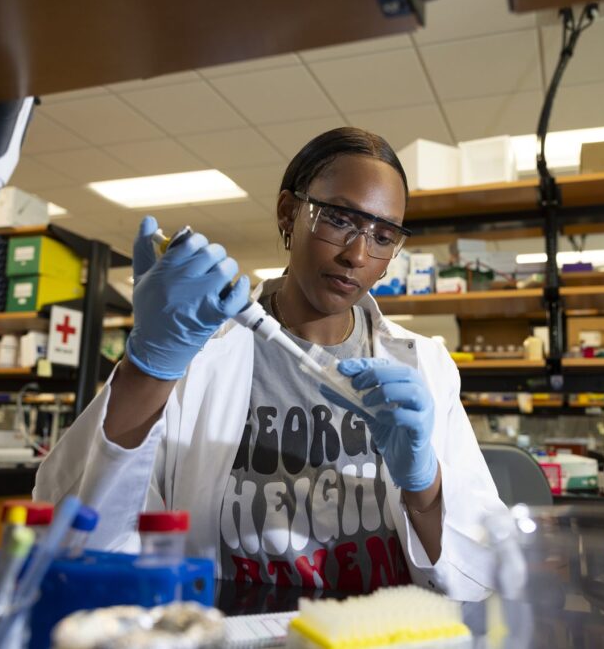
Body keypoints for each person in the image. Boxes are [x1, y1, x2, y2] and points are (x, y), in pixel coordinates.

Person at [34, 127, 505, 601]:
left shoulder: (426, 364)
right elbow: (77, 539)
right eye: (340, 219)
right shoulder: (199, 354)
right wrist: (150, 366)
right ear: (288, 212)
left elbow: (482, 569)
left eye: (383, 236)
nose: (357, 255)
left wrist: (425, 486)